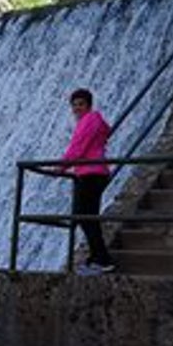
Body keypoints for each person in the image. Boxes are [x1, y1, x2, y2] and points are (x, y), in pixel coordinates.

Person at [62, 88, 116, 274]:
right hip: (94, 173)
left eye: (81, 104)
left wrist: (60, 167)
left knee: (83, 216)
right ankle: (97, 257)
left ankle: (103, 259)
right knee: (88, 217)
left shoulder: (90, 120)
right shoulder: (94, 121)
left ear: (89, 105)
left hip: (90, 175)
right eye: (74, 105)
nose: (77, 108)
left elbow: (78, 148)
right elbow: (104, 134)